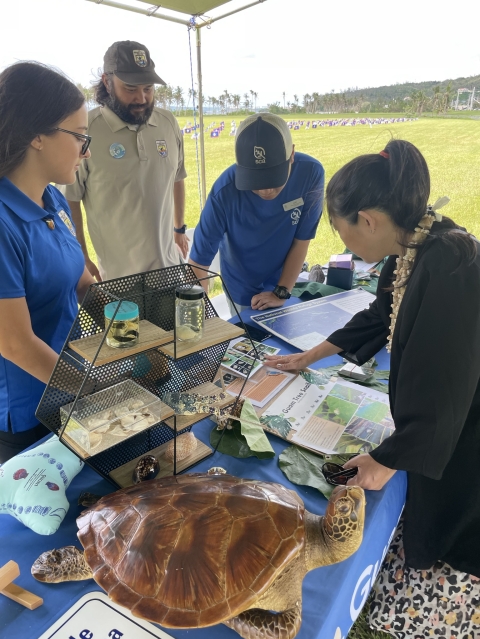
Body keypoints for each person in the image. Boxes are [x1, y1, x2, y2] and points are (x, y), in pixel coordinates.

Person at [266, 140, 480, 639]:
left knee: (452, 540)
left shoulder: (450, 266)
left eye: (341, 232)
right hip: (446, 424)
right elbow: (381, 313)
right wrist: (311, 355)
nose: (344, 247)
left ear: (367, 220)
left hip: (466, 442)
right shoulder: (416, 243)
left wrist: (386, 459)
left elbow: (444, 390)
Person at [0, 62, 96, 462]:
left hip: (68, 386)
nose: (85, 150)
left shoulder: (52, 199)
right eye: (79, 137)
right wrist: (94, 390)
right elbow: (15, 343)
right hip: (29, 415)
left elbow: (81, 283)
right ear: (37, 136)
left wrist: (141, 319)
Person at [64, 40, 187, 281]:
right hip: (120, 279)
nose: (141, 98)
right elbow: (70, 198)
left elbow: (178, 176)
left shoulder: (167, 123)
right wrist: (81, 256)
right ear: (107, 82)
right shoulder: (87, 130)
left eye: (148, 88)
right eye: (130, 89)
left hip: (171, 271)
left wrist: (179, 227)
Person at [189, 113, 324, 315]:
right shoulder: (224, 192)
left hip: (283, 278)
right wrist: (200, 316)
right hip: (240, 285)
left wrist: (282, 291)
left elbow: (301, 240)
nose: (265, 190)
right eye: (255, 181)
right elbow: (199, 263)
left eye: (273, 179)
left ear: (292, 155)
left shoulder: (311, 174)